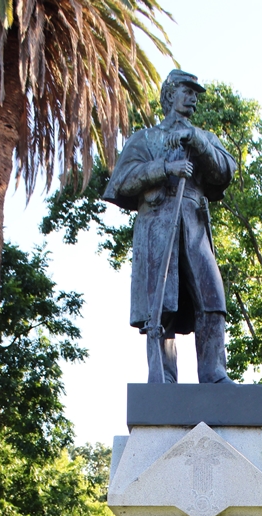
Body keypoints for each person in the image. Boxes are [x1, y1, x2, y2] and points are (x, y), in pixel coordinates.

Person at [103, 70, 236, 383]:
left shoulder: (203, 139)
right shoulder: (145, 139)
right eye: (186, 91)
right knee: (160, 306)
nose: (192, 98)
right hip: (157, 223)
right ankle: (162, 377)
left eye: (195, 93)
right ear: (169, 95)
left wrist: (198, 143)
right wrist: (164, 168)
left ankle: (215, 374)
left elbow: (224, 170)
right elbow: (122, 182)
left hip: (194, 224)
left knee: (212, 298)